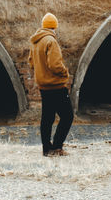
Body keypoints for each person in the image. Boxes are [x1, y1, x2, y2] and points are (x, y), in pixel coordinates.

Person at [28, 13, 74, 157]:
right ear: (55, 27)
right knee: (67, 116)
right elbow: (55, 65)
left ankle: (47, 149)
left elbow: (31, 62)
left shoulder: (35, 41)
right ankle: (57, 147)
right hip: (56, 86)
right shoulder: (50, 41)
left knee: (47, 118)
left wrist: (42, 73)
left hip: (43, 87)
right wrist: (64, 73)